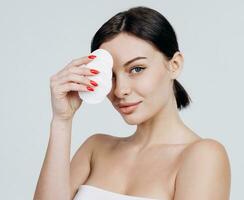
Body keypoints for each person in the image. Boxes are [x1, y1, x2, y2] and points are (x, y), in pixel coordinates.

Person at [33, 6, 231, 200]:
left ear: (174, 65)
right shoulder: (95, 149)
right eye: (110, 75)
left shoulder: (202, 156)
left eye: (137, 69)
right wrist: (62, 120)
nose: (120, 90)